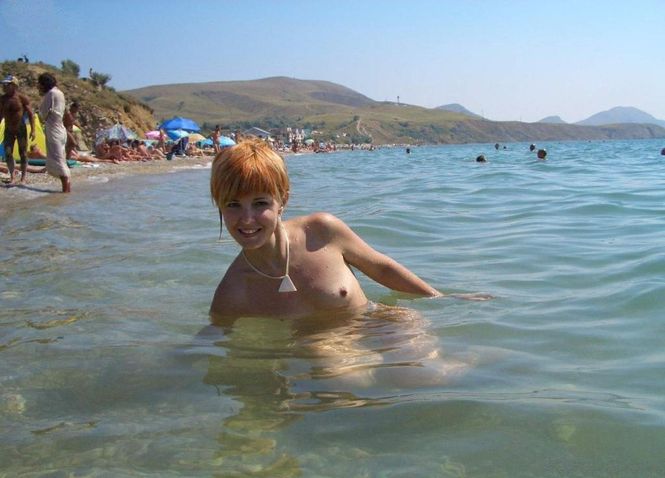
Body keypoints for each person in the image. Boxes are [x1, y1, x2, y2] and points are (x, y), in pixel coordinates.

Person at [209, 139, 442, 320]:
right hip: (328, 355)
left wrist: (442, 300)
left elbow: (383, 269)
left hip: (384, 324)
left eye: (260, 203)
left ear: (283, 200)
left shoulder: (321, 231)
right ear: (219, 205)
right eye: (233, 205)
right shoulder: (231, 293)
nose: (247, 219)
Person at [38, 72, 71, 192]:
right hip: (60, 129)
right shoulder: (60, 93)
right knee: (60, 159)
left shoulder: (51, 94)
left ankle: (66, 191)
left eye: (40, 84)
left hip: (54, 130)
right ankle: (66, 191)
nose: (38, 87)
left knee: (59, 161)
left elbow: (43, 114)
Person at [0, 75, 35, 184]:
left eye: (7, 85)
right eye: (3, 85)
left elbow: (31, 114)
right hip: (8, 128)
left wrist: (33, 130)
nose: (4, 87)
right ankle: (12, 176)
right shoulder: (2, 99)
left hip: (20, 127)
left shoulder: (22, 98)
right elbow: (0, 114)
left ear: (14, 85)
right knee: (8, 152)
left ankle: (23, 177)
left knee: (23, 153)